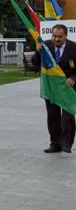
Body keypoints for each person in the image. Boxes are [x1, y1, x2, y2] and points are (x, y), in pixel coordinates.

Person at [32, 23, 76, 153]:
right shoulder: (45, 46)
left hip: (68, 87)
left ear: (66, 36)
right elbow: (35, 63)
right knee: (53, 116)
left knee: (67, 116)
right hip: (51, 88)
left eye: (60, 37)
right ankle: (55, 144)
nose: (57, 39)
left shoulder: (74, 47)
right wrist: (38, 51)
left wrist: (73, 77)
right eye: (54, 36)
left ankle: (66, 144)